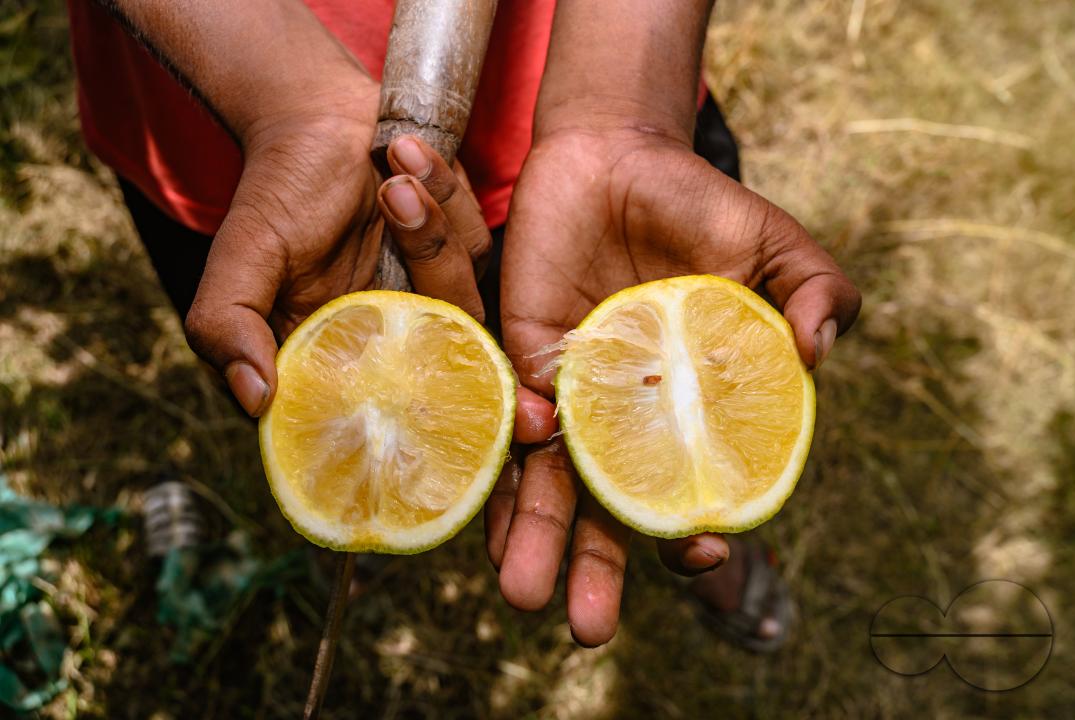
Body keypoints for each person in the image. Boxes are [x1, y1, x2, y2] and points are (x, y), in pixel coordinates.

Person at [67, 0, 860, 650]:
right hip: (222, 80)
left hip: (596, 64)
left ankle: (709, 510)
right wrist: (284, 99)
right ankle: (367, 519)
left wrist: (624, 110)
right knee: (299, 376)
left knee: (680, 440)